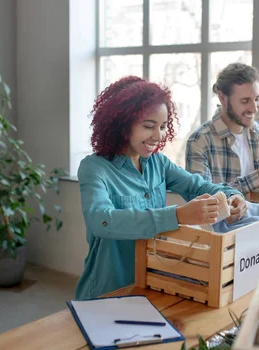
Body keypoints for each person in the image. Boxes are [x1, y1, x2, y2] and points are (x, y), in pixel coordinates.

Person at [75, 76, 247, 300]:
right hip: (108, 290)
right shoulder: (94, 168)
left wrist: (233, 197)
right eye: (149, 126)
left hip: (154, 284)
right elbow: (102, 221)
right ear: (122, 125)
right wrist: (177, 215)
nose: (158, 136)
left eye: (163, 127)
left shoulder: (159, 163)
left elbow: (199, 186)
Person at [186, 63, 259, 194]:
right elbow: (203, 198)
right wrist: (257, 178)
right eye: (245, 101)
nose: (254, 108)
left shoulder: (257, 133)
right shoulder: (199, 141)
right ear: (222, 98)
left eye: (257, 99)